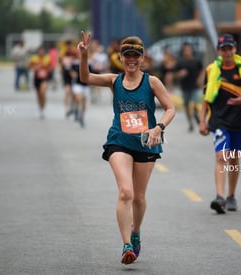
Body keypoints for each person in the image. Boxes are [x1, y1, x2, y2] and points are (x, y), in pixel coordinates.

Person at [78, 32, 176, 264]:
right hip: (119, 141)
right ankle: (126, 245)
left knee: (139, 198)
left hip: (145, 143)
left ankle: (136, 231)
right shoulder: (114, 80)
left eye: (136, 56)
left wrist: (158, 128)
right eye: (127, 56)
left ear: (142, 58)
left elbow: (170, 108)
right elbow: (85, 78)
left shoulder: (152, 82)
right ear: (120, 58)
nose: (131, 60)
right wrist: (84, 56)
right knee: (126, 192)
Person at [199, 34, 241, 214]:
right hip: (219, 121)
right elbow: (206, 99)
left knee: (233, 158)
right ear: (219, 51)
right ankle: (219, 197)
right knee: (221, 157)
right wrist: (202, 120)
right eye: (223, 49)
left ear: (235, 49)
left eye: (230, 48)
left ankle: (231, 195)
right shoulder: (211, 70)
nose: (227, 52)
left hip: (238, 120)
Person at [174, 42, 204, 132]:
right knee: (186, 105)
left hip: (194, 86)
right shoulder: (180, 62)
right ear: (183, 51)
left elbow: (202, 70)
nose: (187, 51)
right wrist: (180, 74)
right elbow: (175, 75)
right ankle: (190, 123)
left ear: (191, 50)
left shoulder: (197, 61)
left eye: (188, 49)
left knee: (195, 103)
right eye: (185, 50)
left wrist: (200, 79)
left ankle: (195, 114)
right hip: (185, 87)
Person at [29, 46, 51, 119]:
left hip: (44, 79)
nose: (41, 52)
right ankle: (41, 109)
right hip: (37, 79)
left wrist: (47, 70)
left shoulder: (47, 58)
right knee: (38, 95)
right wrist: (36, 67)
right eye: (40, 51)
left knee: (42, 92)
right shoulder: (34, 58)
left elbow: (50, 68)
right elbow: (30, 67)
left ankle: (43, 108)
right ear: (38, 51)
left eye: (42, 50)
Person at [70, 51, 89, 128]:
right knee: (78, 98)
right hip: (77, 84)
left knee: (84, 102)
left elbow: (92, 72)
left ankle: (82, 116)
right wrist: (72, 74)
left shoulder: (88, 62)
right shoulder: (74, 63)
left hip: (86, 85)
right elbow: (70, 70)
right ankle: (76, 109)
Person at [60, 40, 78, 117]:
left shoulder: (75, 52)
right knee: (67, 91)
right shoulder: (63, 53)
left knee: (74, 92)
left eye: (70, 45)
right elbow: (63, 64)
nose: (69, 47)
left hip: (74, 73)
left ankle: (73, 107)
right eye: (67, 46)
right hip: (66, 74)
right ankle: (67, 108)